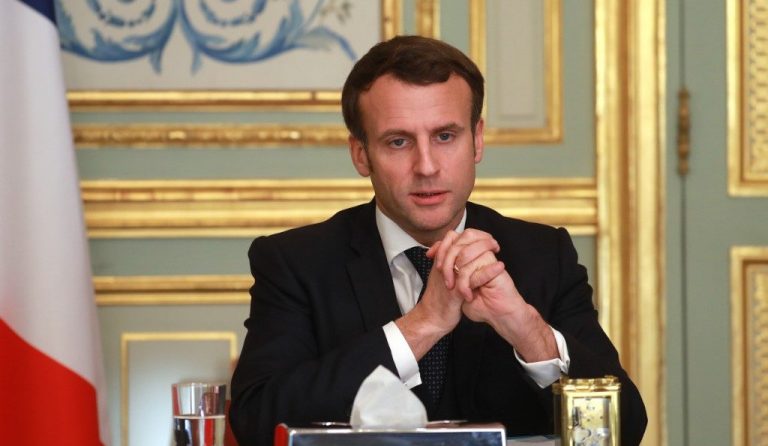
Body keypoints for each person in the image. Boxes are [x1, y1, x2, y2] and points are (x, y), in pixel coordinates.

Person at [230, 35, 647, 446]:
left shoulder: (543, 255)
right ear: (360, 154)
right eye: (398, 142)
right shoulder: (296, 262)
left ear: (477, 139)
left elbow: (625, 428)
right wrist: (421, 325)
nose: (426, 166)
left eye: (445, 136)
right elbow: (256, 421)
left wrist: (529, 332)